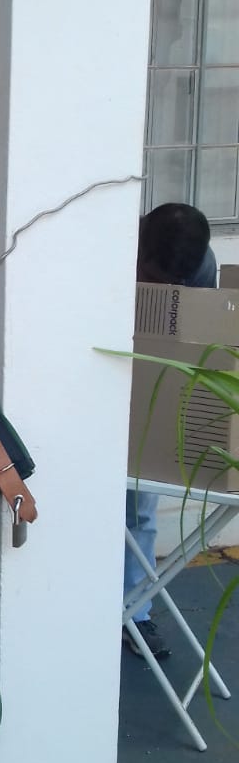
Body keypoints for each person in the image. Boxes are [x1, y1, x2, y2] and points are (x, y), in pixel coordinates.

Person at [124, 202, 217, 660]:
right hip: (94, 380)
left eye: (172, 286)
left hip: (151, 390)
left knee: (140, 509)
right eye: (152, 278)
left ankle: (134, 614)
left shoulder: (201, 268)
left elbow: (196, 347)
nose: (163, 291)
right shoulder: (109, 244)